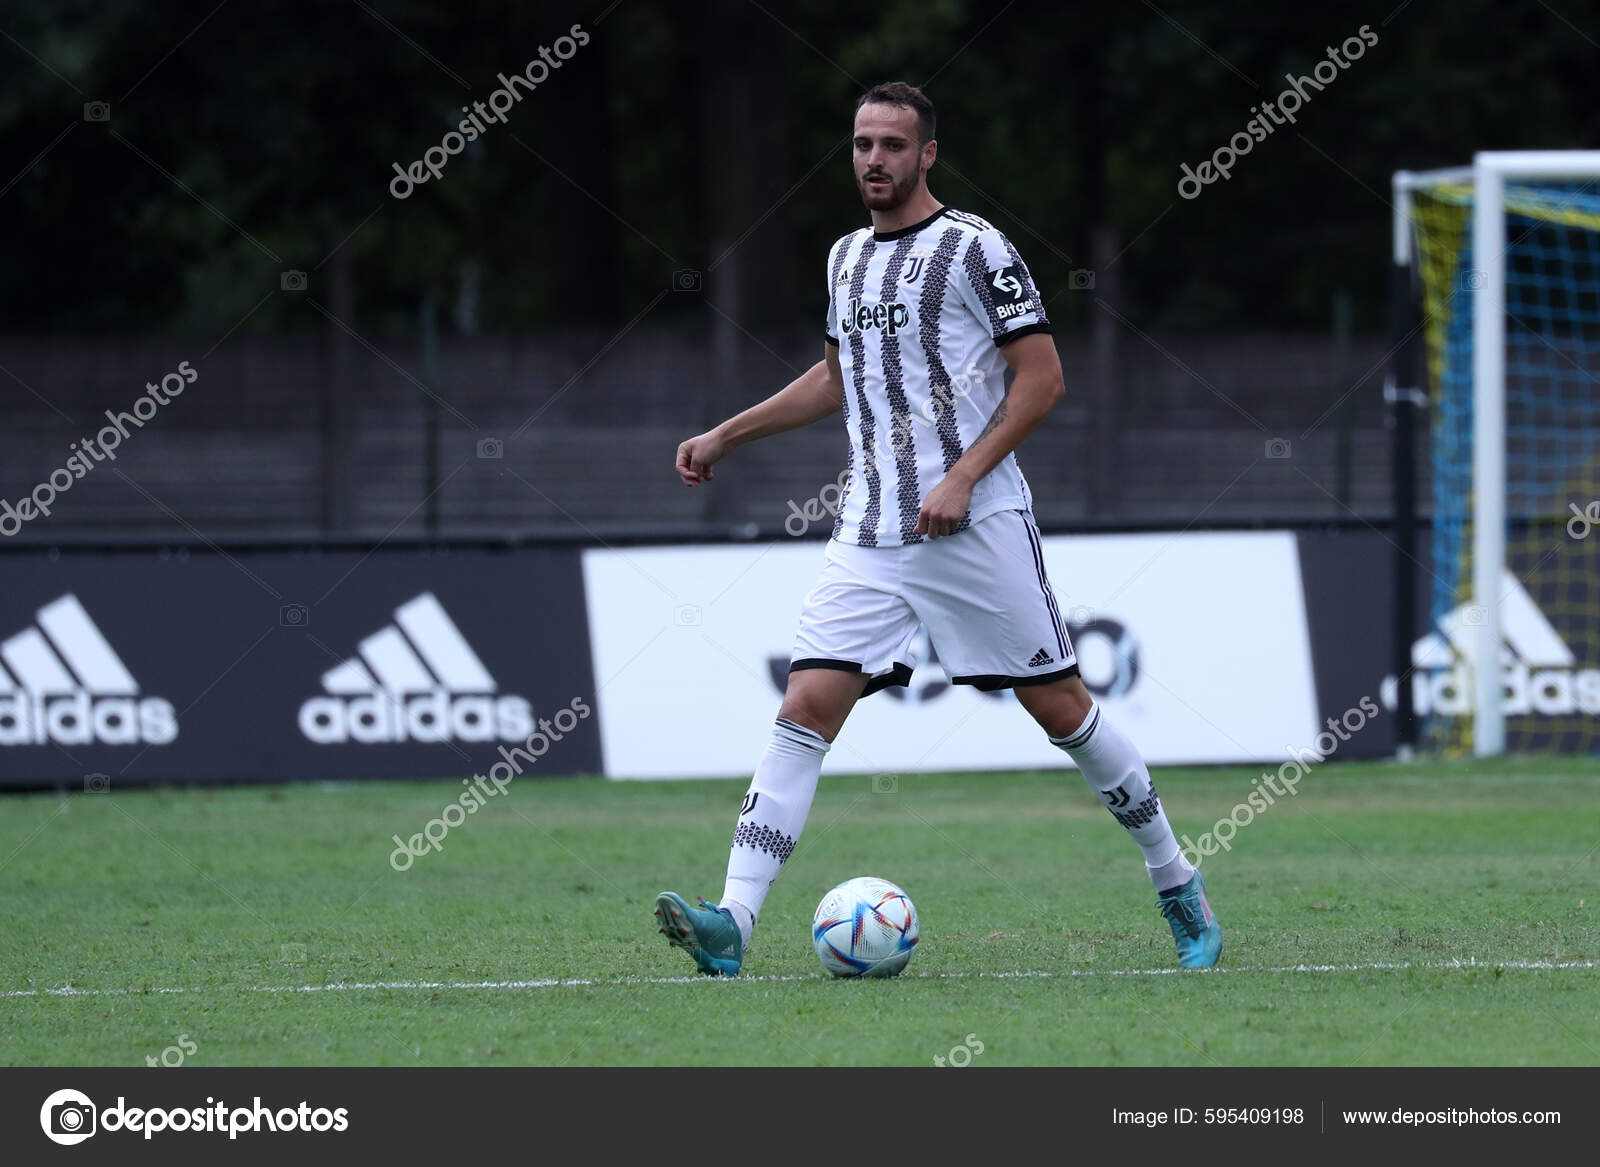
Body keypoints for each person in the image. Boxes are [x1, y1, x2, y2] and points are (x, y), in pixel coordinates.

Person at [656, 81, 1220, 975]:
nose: (873, 159)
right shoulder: (845, 258)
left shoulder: (974, 249)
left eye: (891, 144)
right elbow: (836, 379)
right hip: (871, 533)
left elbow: (1042, 376)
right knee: (804, 709)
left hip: (977, 526)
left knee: (1063, 712)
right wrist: (729, 432)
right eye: (861, 144)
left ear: (926, 156)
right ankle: (733, 922)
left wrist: (962, 475)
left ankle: (1176, 878)